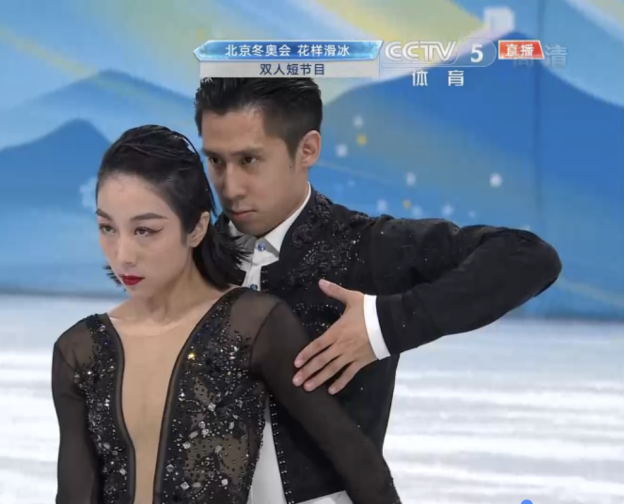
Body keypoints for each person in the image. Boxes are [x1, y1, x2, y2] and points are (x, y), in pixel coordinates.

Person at [194, 77, 563, 504]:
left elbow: (528, 258)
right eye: (216, 161)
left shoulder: (367, 248)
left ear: (307, 149)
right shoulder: (190, 255)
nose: (230, 187)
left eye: (250, 160)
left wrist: (385, 325)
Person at [52, 125, 401, 504]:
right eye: (107, 228)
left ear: (197, 228)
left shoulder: (251, 325)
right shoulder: (81, 350)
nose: (123, 255)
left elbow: (356, 459)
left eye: (145, 231)